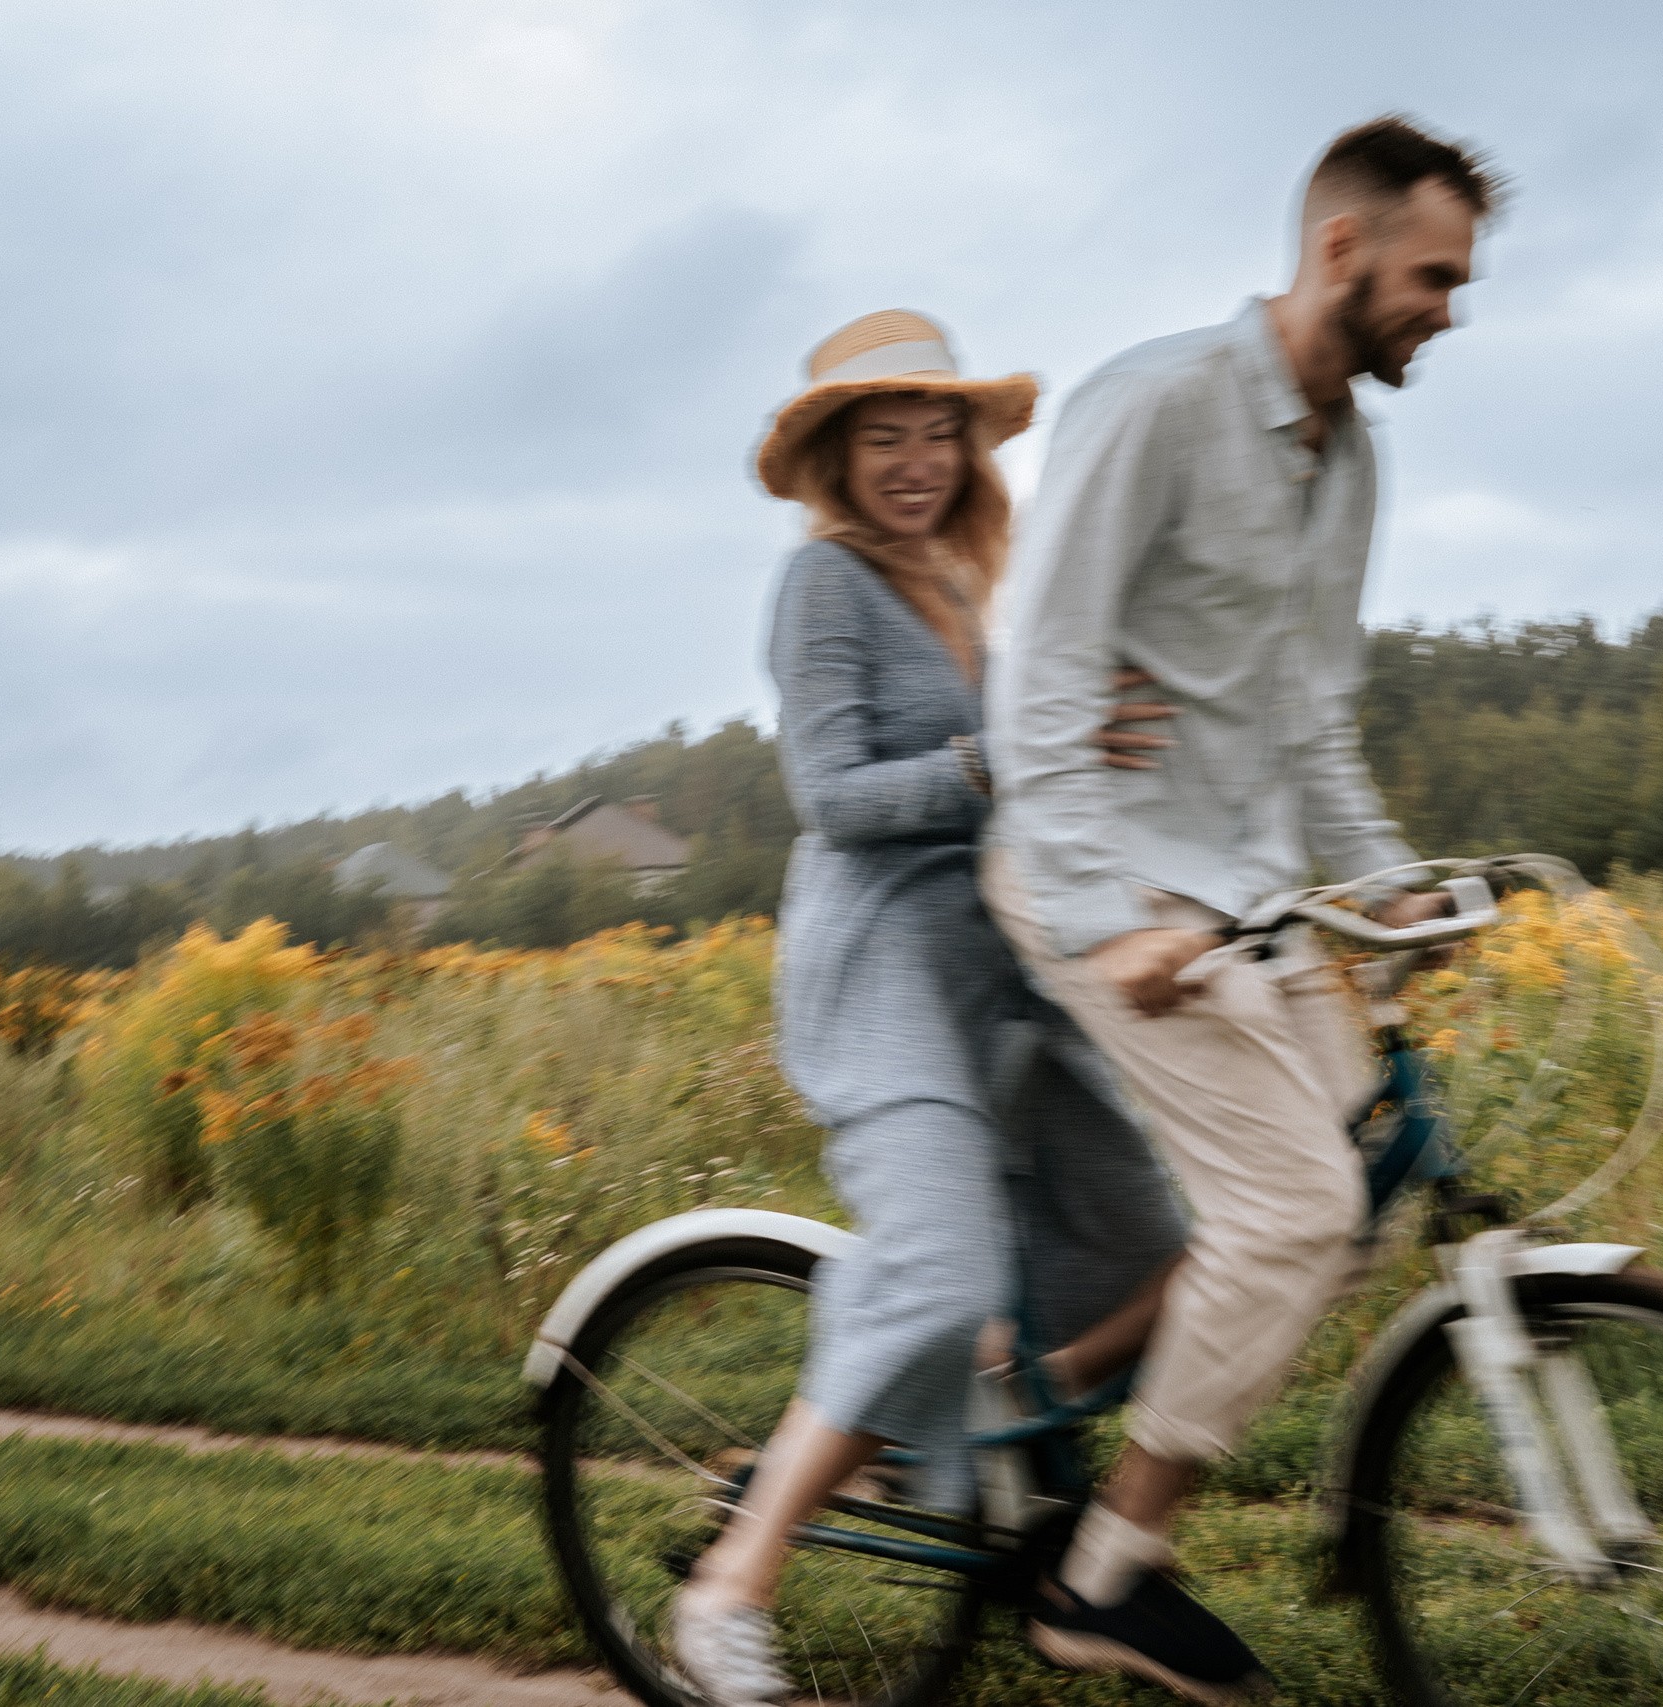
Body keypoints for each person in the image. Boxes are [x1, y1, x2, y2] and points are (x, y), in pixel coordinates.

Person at [982, 117, 1503, 1702]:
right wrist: (1099, 913)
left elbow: (1309, 723)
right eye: (1433, 275)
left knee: (1348, 1198)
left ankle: (1027, 1401)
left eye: (1463, 283)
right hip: (1107, 890)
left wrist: (1398, 881)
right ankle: (1104, 1577)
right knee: (1294, 1213)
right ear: (1340, 248)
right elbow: (1043, 679)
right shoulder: (1155, 405)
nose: (1450, 310)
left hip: (1245, 901)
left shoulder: (1352, 461)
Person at [668, 309, 1191, 1707]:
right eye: (882, 436)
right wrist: (999, 754)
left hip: (1012, 965)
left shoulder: (979, 576)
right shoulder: (823, 588)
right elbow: (832, 800)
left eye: (937, 432)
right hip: (886, 967)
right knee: (946, 1272)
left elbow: (1042, 761)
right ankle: (734, 1588)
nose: (914, 460)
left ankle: (947, 1421)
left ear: (972, 446)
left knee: (1164, 1243)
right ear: (837, 458)